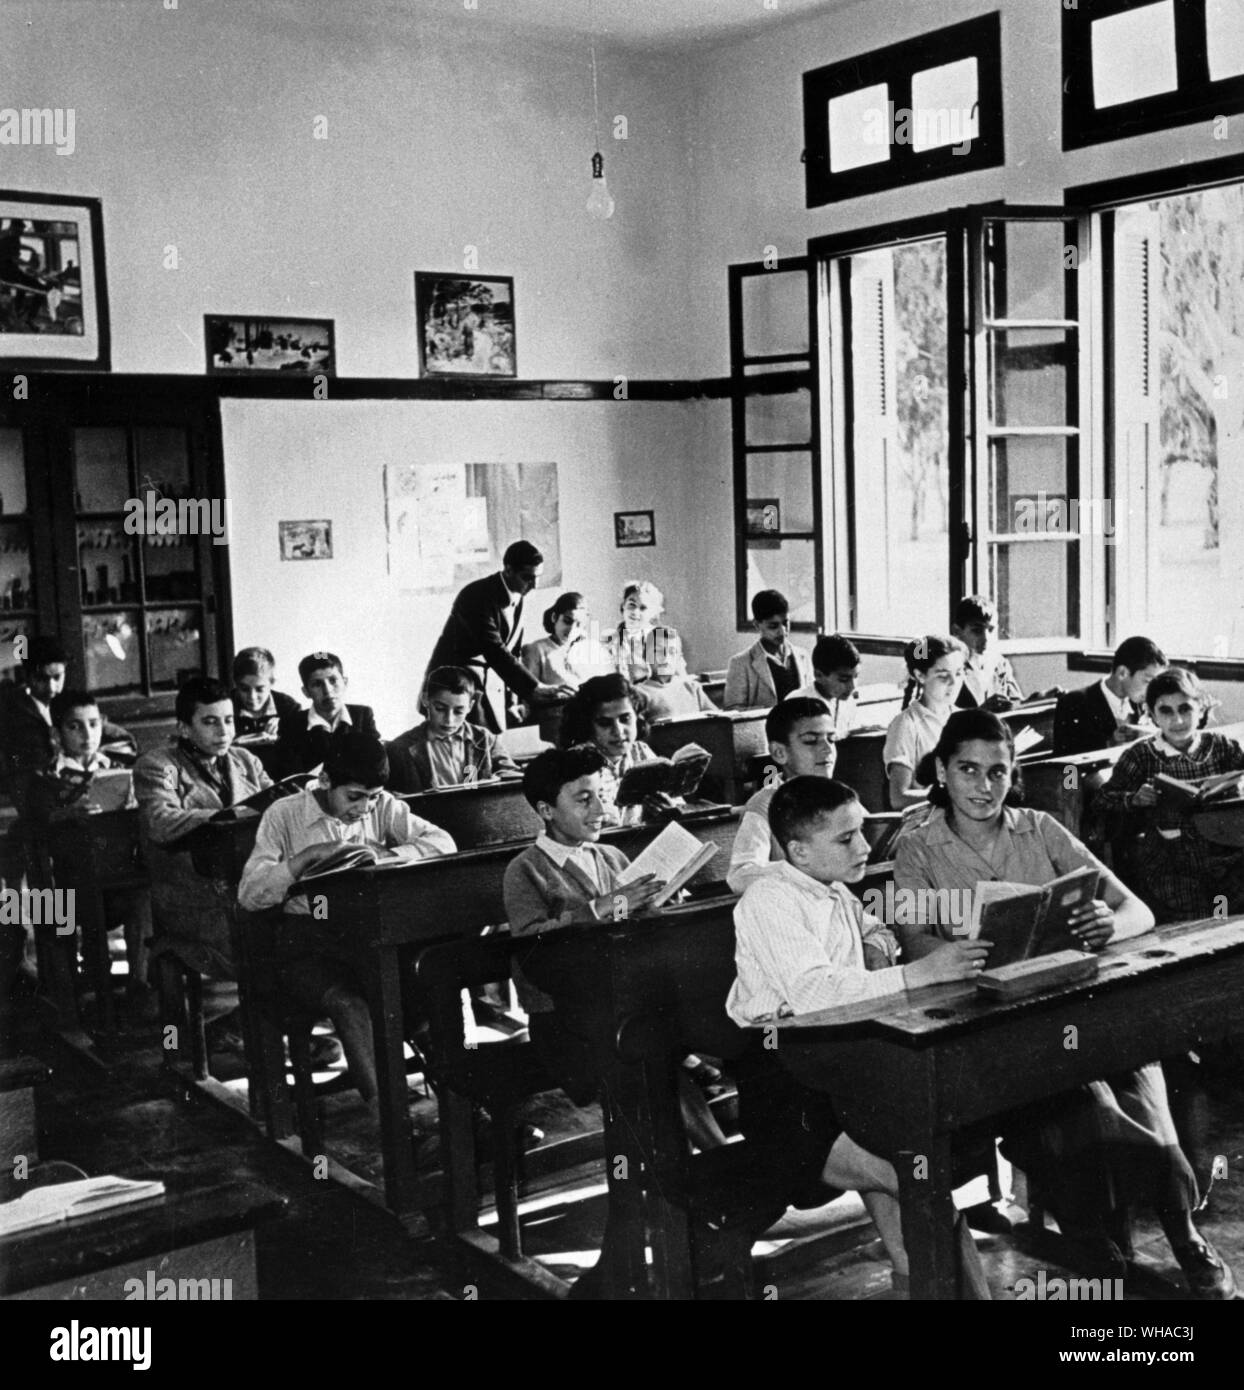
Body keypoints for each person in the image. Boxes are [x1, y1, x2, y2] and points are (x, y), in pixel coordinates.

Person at [893, 708, 1235, 1298]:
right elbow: (918, 952)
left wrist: (1107, 924)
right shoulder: (918, 849)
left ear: (1013, 772)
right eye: (968, 770)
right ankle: (1098, 1244)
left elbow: (1139, 913)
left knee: (1140, 1082)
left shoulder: (1041, 829)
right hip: (995, 1023)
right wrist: (968, 954)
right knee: (1079, 1104)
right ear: (942, 772)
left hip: (1077, 1002)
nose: (984, 786)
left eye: (998, 772)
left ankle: (1182, 1235)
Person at [727, 776, 992, 1298]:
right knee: (924, 1188)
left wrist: (877, 943)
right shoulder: (768, 900)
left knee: (910, 1219)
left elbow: (874, 932)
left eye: (863, 833)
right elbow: (810, 992)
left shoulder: (832, 891)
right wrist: (918, 973)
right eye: (846, 839)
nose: (866, 847)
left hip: (838, 1073)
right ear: (799, 850)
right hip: (785, 1090)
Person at [503, 744, 726, 1298]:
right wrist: (604, 910)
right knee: (654, 1078)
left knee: (654, 1072)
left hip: (629, 1018)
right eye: (583, 798)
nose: (598, 807)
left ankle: (643, 1234)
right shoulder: (525, 869)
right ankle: (700, 1192)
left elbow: (642, 929)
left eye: (601, 794)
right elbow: (532, 947)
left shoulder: (608, 857)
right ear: (544, 809)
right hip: (568, 1024)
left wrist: (665, 898)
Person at [239, 731, 455, 1104]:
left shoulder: (382, 805)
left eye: (371, 798)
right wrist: (302, 861)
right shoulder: (284, 814)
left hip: (365, 936)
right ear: (325, 781)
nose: (364, 809)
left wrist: (385, 855)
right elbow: (249, 894)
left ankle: (458, 1109)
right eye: (354, 797)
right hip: (306, 941)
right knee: (350, 1003)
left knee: (423, 987)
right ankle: (394, 1119)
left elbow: (443, 842)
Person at [134, 676, 272, 1055]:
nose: (224, 731)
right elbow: (160, 822)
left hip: (243, 885)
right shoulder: (157, 765)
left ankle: (258, 1026)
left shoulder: (245, 760)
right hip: (190, 897)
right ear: (184, 727)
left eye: (228, 720)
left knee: (302, 923)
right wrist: (228, 817)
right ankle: (256, 1030)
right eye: (210, 721)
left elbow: (276, 808)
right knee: (267, 934)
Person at [25, 689, 152, 1018]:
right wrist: (66, 814)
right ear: (57, 733)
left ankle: (141, 986)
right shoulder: (45, 780)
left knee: (143, 897)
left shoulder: (119, 769)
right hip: (67, 890)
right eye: (75, 727)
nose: (87, 735)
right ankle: (93, 990)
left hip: (119, 880)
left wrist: (133, 805)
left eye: (94, 724)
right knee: (71, 909)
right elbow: (35, 828)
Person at [1093, 667, 1244, 924]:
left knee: (1228, 918)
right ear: (1151, 714)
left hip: (1223, 851)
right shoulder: (1141, 755)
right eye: (1166, 711)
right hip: (1171, 859)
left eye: (1185, 709)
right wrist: (1134, 798)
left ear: (1200, 709)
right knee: (1196, 922)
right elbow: (1102, 799)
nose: (1177, 721)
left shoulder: (1222, 747)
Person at [424, 540, 573, 732]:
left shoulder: (518, 595)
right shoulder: (476, 595)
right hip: (455, 687)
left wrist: (513, 700)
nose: (534, 585)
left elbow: (513, 652)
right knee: (466, 750)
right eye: (528, 577)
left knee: (489, 747)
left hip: (490, 686)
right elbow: (494, 649)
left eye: (537, 577)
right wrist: (533, 688)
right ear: (508, 570)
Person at [727, 697, 838, 894]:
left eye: (831, 739)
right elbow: (740, 875)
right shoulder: (764, 805)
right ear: (779, 753)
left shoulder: (839, 797)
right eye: (811, 741)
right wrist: (801, 871)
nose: (827, 749)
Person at [0, 635, 134, 796]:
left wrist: (97, 758)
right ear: (27, 676)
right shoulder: (13, 713)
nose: (51, 687)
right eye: (42, 678)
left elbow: (123, 740)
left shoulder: (70, 705)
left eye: (57, 677)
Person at [558, 673, 670, 827]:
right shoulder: (576, 764)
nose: (618, 731)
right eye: (604, 723)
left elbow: (673, 803)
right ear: (587, 726)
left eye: (625, 719)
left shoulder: (640, 751)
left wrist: (666, 810)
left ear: (637, 717)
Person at [385, 665, 519, 793]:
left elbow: (511, 776)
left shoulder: (486, 739)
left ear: (470, 706)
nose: (449, 720)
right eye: (440, 709)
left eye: (459, 711)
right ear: (425, 700)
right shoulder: (399, 748)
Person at [883, 636, 967, 809]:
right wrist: (952, 794)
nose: (954, 683)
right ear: (920, 675)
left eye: (958, 673)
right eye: (943, 676)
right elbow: (898, 797)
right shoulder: (906, 725)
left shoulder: (967, 719)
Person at [1053, 636, 1166, 756]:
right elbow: (1066, 768)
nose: (1153, 690)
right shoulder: (1074, 703)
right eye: (1147, 681)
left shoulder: (1143, 702)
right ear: (1122, 673)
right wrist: (1108, 744)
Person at [521, 592, 612, 740]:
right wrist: (553, 693)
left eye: (579, 625)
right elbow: (528, 694)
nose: (571, 630)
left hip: (588, 720)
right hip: (554, 721)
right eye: (567, 621)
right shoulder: (536, 649)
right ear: (554, 617)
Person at [276, 651, 379, 776]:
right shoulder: (292, 725)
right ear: (306, 692)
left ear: (345, 682)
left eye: (333, 680)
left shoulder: (362, 716)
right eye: (317, 684)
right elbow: (291, 776)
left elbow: (376, 765)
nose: (327, 690)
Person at [723, 589, 813, 709]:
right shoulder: (740, 663)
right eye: (773, 626)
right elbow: (732, 710)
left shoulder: (803, 656)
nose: (782, 631)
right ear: (756, 625)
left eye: (786, 623)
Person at [950, 596, 1024, 712]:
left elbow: (1018, 705)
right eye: (977, 630)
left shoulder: (1000, 665)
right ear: (957, 631)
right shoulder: (948, 667)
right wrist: (981, 712)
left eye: (991, 630)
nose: (986, 639)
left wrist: (1040, 698)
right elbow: (939, 719)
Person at [606, 580, 686, 685]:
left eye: (643, 608)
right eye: (631, 605)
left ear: (653, 613)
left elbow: (680, 676)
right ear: (623, 606)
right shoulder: (610, 641)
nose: (635, 612)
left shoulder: (662, 639)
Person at [633, 627, 719, 722]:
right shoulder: (638, 693)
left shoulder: (692, 688)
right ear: (646, 656)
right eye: (659, 652)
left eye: (672, 652)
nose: (665, 657)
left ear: (678, 658)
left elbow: (719, 721)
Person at [788, 633, 862, 738]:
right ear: (818, 675)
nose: (853, 686)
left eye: (856, 677)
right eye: (844, 679)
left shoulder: (848, 701)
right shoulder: (796, 702)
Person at [230, 646, 304, 742]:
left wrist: (284, 733)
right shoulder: (223, 706)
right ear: (235, 683)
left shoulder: (290, 708)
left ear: (272, 683)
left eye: (260, 689)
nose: (252, 697)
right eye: (244, 689)